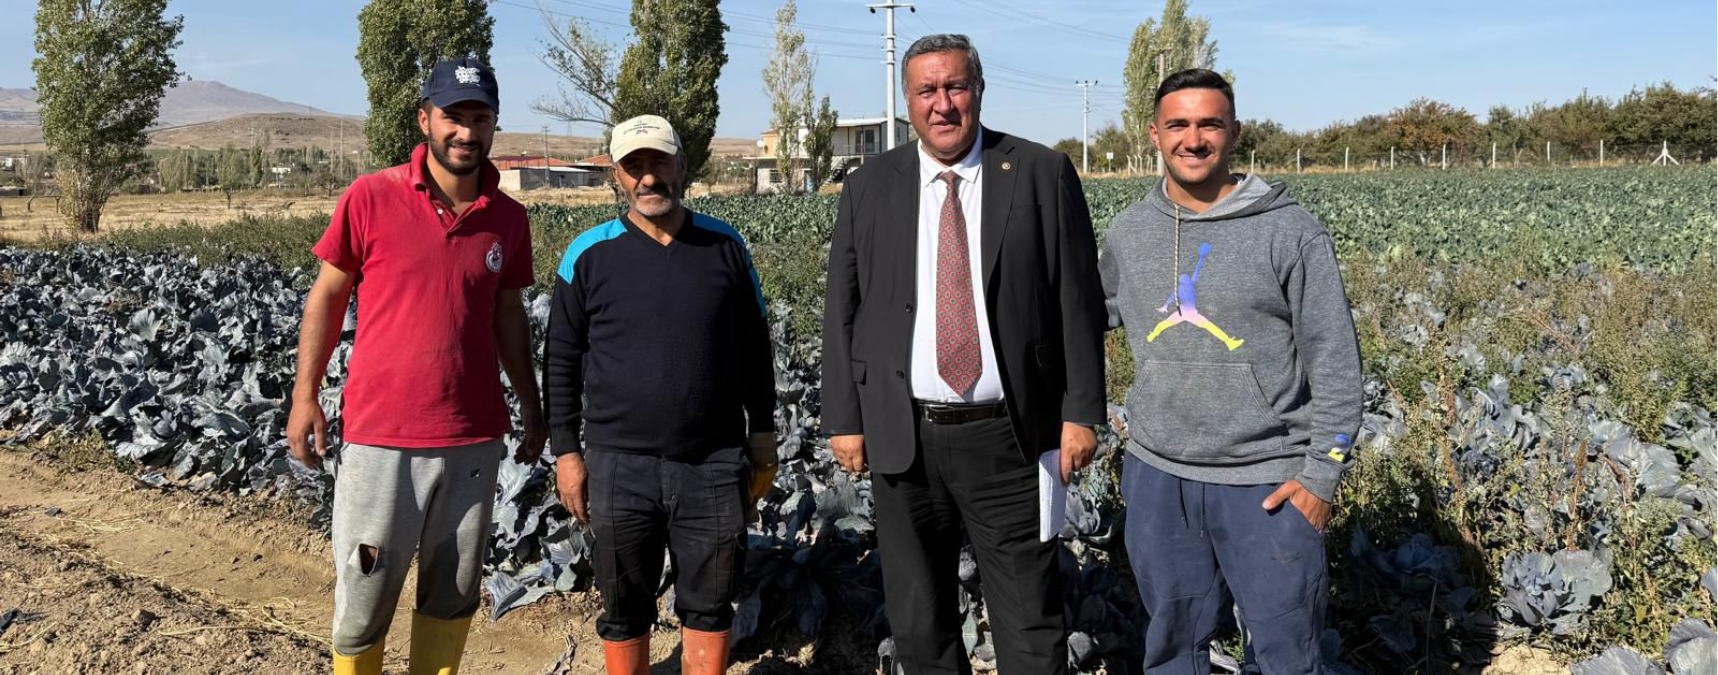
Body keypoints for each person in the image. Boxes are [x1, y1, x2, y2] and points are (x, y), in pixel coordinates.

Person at [820, 33, 1107, 675]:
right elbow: (843, 306)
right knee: (920, 623)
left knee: (1031, 619)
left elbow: (1078, 302)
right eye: (927, 90)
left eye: (955, 86)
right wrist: (844, 418)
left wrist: (1082, 410)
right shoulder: (870, 185)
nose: (943, 103)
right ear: (908, 101)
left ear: (978, 89)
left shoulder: (1038, 170)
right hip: (904, 438)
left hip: (1009, 437)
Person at [1098, 68, 1363, 675]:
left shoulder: (1289, 230)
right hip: (1159, 478)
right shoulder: (1131, 230)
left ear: (1234, 131)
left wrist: (1323, 477)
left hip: (1266, 484)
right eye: (1178, 125)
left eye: (1209, 124)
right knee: (1172, 649)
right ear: (1154, 134)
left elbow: (1337, 361)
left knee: (1287, 655)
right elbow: (1082, 317)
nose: (1193, 139)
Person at [285, 56, 544, 675]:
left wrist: (531, 404)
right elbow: (326, 295)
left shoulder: (508, 218)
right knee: (364, 599)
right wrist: (305, 395)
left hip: (473, 438)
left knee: (452, 595)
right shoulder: (370, 197)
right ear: (425, 119)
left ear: (494, 126)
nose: (466, 132)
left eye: (480, 118)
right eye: (453, 116)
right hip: (381, 438)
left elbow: (509, 317)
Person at [543, 114, 778, 675]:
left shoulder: (725, 247)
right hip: (620, 464)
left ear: (682, 167)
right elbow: (560, 361)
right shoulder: (588, 254)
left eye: (659, 162)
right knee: (624, 607)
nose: (648, 178)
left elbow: (755, 348)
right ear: (617, 177)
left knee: (711, 602)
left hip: (714, 462)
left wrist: (763, 435)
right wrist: (567, 454)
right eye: (634, 167)